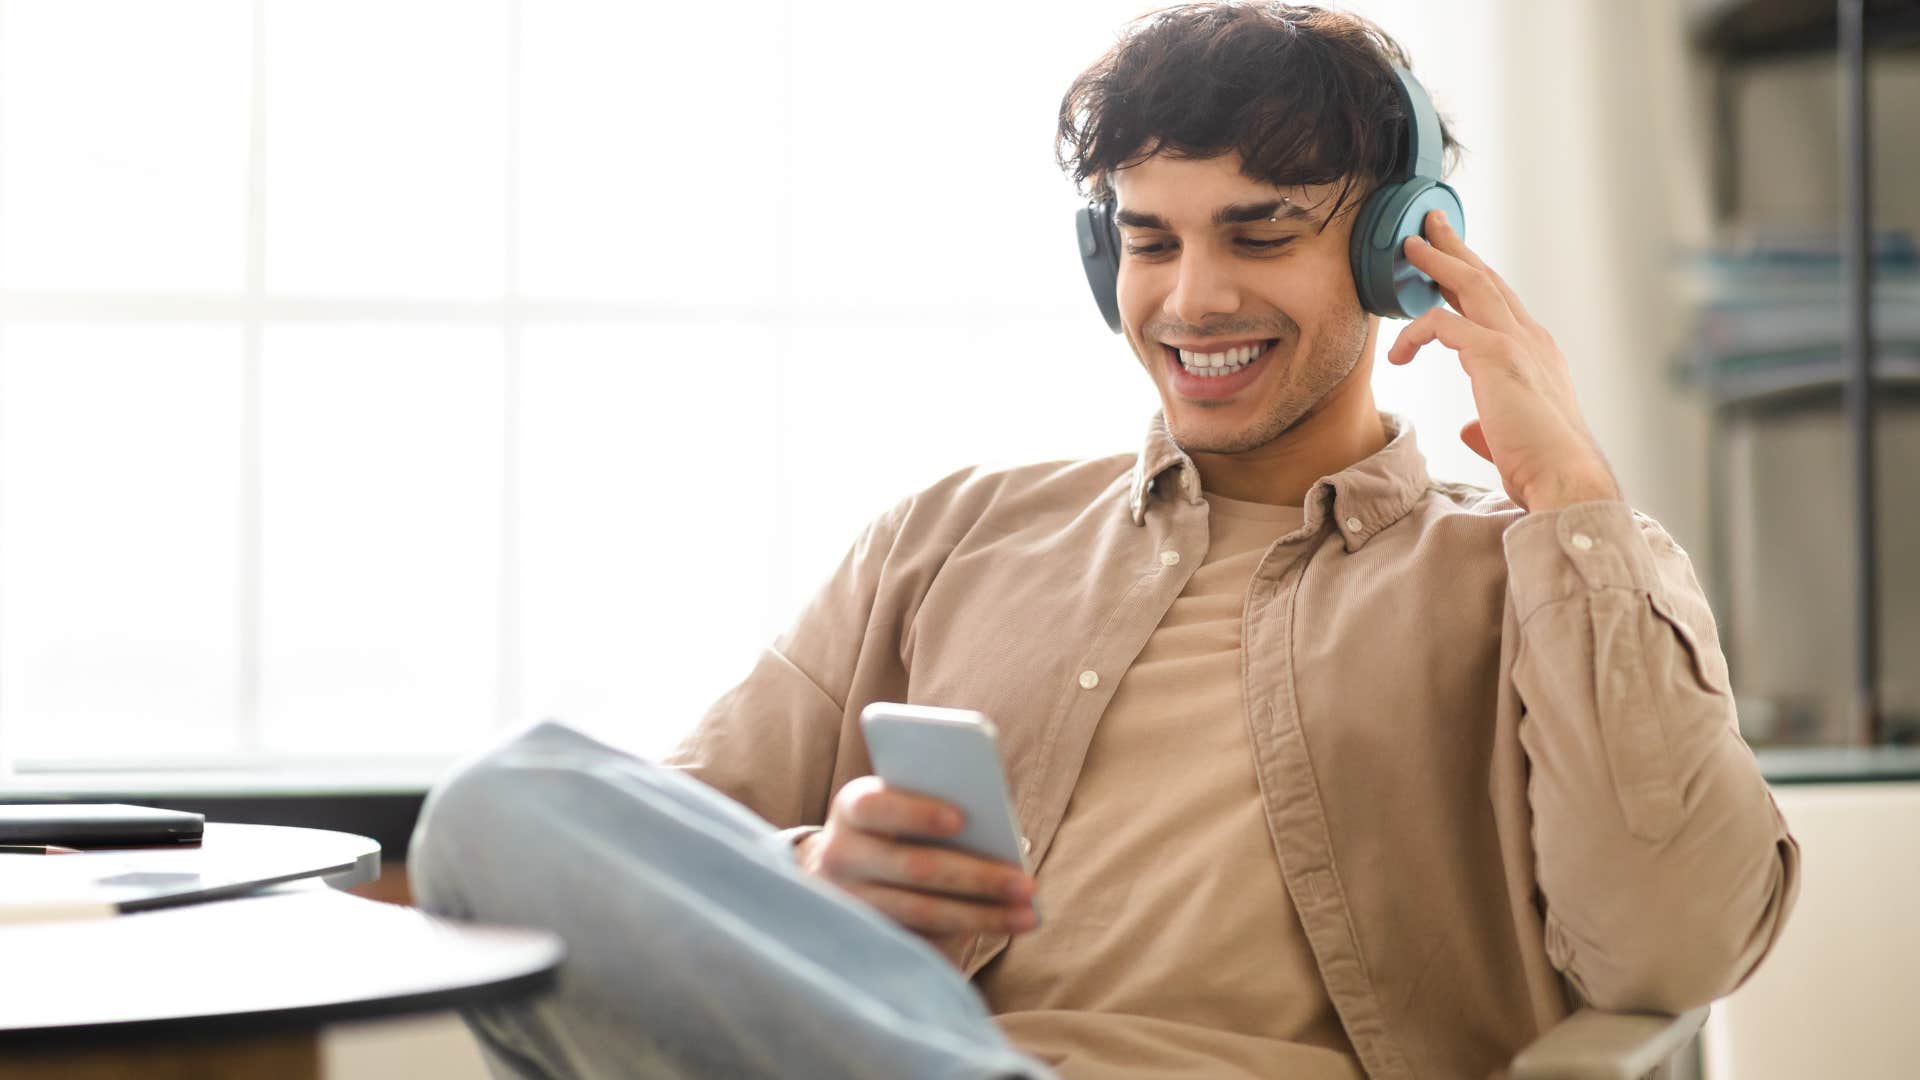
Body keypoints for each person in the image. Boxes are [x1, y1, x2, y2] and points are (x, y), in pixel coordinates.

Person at [409, 5, 1800, 1078]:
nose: (1192, 300)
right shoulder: (955, 536)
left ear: (1399, 252)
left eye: (1258, 237)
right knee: (498, 806)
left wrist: (1569, 487)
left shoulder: (1532, 577)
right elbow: (659, 852)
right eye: (1148, 243)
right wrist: (804, 882)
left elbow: (1674, 943)